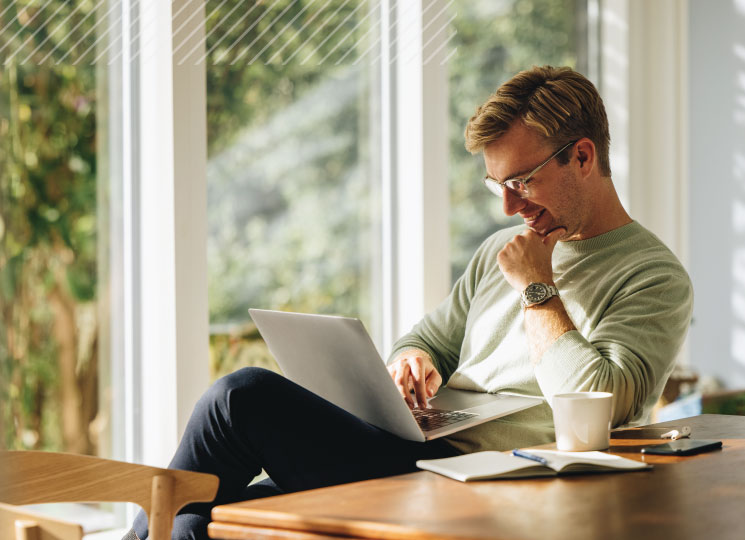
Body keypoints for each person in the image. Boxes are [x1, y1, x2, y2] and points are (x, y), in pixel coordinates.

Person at [123, 66, 693, 540]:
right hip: (413, 449)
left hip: (489, 479)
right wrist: (411, 361)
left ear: (583, 157)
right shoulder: (501, 249)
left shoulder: (654, 277)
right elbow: (427, 339)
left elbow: (607, 403)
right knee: (199, 522)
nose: (508, 208)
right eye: (499, 187)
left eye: (522, 181)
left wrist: (536, 288)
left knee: (240, 396)